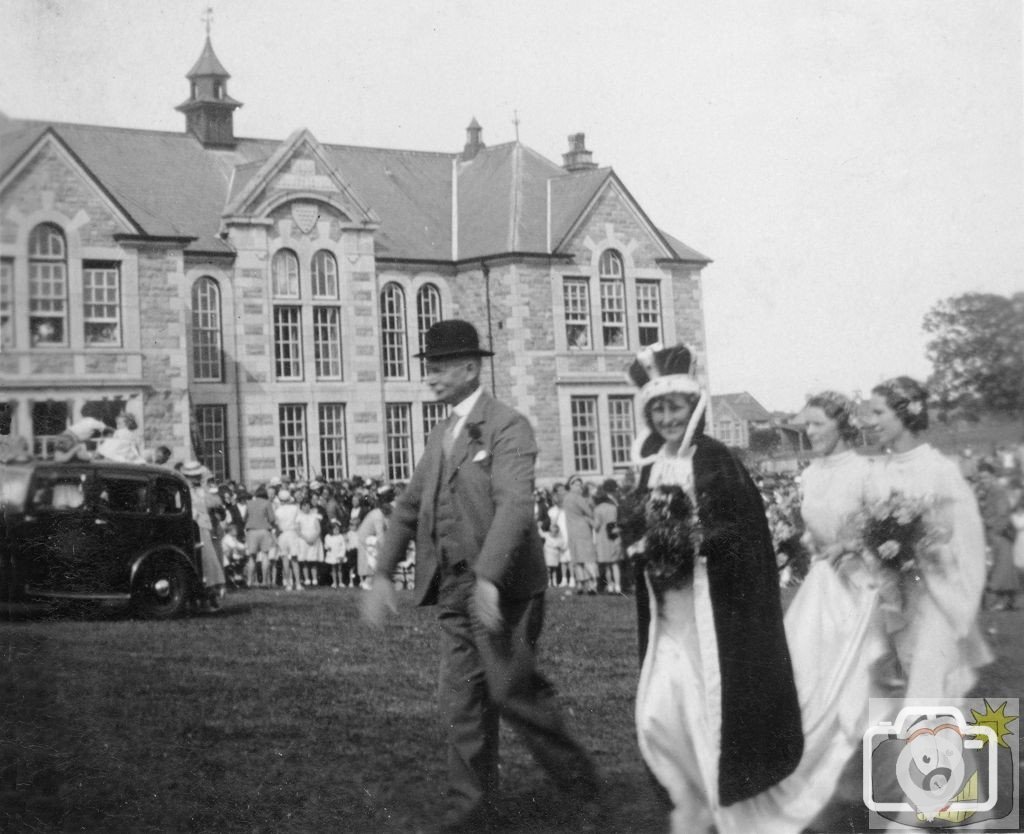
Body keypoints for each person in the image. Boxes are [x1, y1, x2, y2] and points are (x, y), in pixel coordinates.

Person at [363, 319, 598, 832]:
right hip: (453, 587)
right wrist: (382, 573)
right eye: (429, 367)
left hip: (504, 588)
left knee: (510, 691)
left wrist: (488, 578)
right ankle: (470, 811)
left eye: (440, 367)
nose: (431, 377)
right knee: (461, 699)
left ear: (471, 368)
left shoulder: (508, 426)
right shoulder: (442, 432)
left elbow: (514, 504)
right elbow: (408, 506)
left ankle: (583, 789)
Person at [625, 344, 802, 834]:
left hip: (715, 607)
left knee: (709, 696)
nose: (666, 417)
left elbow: (742, 530)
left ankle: (724, 796)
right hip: (669, 607)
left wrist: (698, 542)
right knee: (662, 702)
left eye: (674, 407)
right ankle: (686, 792)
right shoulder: (647, 465)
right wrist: (644, 542)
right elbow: (634, 521)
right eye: (657, 408)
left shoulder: (717, 459)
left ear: (694, 407)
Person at [864, 376, 992, 698]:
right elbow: (869, 533)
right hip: (899, 599)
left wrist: (928, 553)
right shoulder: (876, 472)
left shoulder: (940, 470)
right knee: (924, 689)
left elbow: (968, 541)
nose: (871, 422)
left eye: (879, 413)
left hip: (939, 597)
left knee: (926, 687)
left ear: (905, 413)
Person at [182, 460, 226, 603]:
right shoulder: (184, 490)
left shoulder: (204, 490)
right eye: (191, 476)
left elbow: (215, 503)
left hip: (205, 527)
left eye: (196, 476)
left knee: (209, 559)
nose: (194, 478)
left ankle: (211, 591)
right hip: (191, 527)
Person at [562, 475, 598, 594]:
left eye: (580, 485)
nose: (580, 487)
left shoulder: (566, 498)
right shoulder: (579, 498)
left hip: (571, 531)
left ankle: (581, 584)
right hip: (582, 530)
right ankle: (592, 585)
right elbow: (589, 512)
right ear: (571, 485)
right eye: (577, 485)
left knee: (577, 558)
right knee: (588, 558)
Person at [593, 480, 622, 594]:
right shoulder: (614, 508)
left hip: (603, 537)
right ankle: (618, 586)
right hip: (614, 536)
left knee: (607, 565)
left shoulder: (597, 509)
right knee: (615, 563)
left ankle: (610, 585)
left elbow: (597, 525)